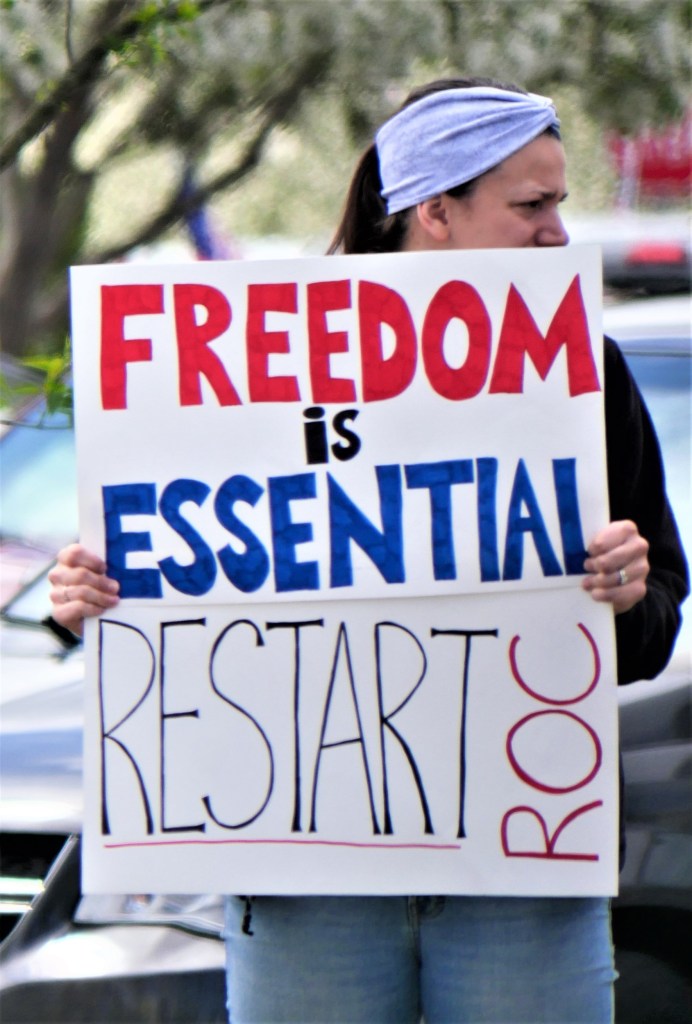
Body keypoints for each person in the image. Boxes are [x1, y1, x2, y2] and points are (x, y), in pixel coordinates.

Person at [48, 77, 688, 1023]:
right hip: (310, 891)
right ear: (435, 210)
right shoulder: (254, 366)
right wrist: (87, 601)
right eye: (532, 205)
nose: (560, 232)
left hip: (519, 879)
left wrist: (630, 594)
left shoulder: (584, 372)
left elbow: (654, 623)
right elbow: (173, 588)